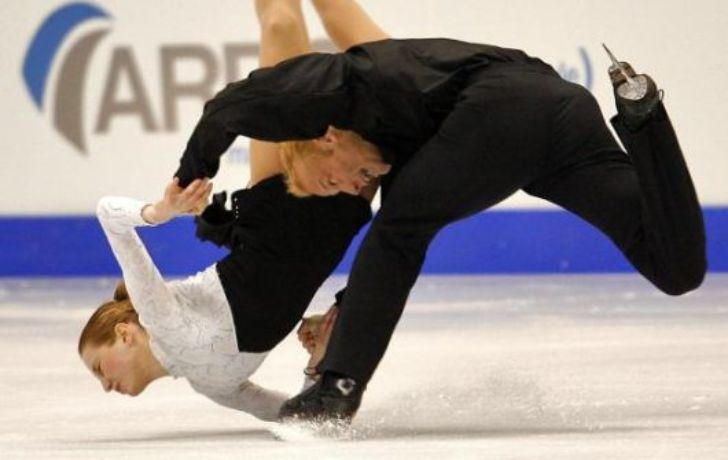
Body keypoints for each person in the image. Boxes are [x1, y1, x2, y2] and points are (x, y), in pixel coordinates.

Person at [172, 2, 707, 422]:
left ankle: (337, 391)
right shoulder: (403, 162)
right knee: (676, 269)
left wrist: (187, 179)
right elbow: (391, 250)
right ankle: (644, 117)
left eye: (331, 178)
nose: (349, 189)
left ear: (327, 137)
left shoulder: (351, 84)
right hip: (561, 113)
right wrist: (343, 312)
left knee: (397, 232)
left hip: (506, 104)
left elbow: (229, 106)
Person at [78, 0, 385, 421]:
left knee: (280, 26)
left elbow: (108, 214)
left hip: (278, 201)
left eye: (99, 368)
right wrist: (316, 366)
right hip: (335, 223)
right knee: (380, 101)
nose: (105, 386)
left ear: (124, 334)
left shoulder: (156, 313)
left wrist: (158, 212)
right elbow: (295, 418)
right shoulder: (214, 387)